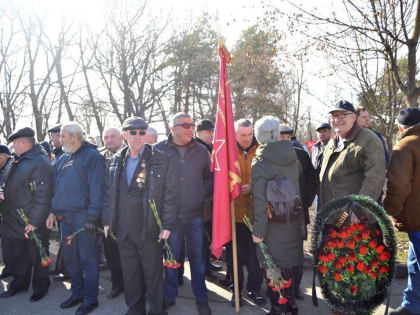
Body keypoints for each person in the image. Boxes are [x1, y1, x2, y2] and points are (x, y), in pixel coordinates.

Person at [103, 117, 177, 315]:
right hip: (123, 228)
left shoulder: (160, 158)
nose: (137, 136)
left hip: (149, 227)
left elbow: (171, 195)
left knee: (152, 274)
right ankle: (135, 308)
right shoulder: (116, 159)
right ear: (124, 135)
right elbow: (110, 193)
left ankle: (157, 310)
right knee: (130, 273)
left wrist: (167, 224)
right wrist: (107, 221)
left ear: (146, 134)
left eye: (142, 132)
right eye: (133, 132)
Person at [155, 112, 213, 315]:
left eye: (192, 124)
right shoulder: (158, 150)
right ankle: (169, 296)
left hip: (195, 215)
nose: (190, 128)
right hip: (170, 218)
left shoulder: (202, 150)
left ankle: (201, 297)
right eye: (185, 125)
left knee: (198, 259)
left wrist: (200, 192)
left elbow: (210, 177)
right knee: (171, 259)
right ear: (173, 129)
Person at [46, 122, 105, 315]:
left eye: (62, 135)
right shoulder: (63, 158)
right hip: (66, 217)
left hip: (84, 217)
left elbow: (98, 188)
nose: (59, 139)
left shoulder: (92, 156)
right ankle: (77, 293)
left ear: (74, 136)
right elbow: (56, 187)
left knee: (88, 259)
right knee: (71, 259)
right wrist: (52, 211)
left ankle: (90, 299)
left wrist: (93, 216)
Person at [251, 116, 303, 315]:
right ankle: (290, 304)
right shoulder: (292, 155)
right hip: (292, 219)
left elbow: (260, 202)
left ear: (259, 136)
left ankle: (277, 306)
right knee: (288, 262)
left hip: (273, 224)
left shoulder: (261, 163)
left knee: (272, 266)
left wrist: (259, 231)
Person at [0, 128, 53, 302]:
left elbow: (43, 195)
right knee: (20, 256)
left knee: (38, 256)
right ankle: (19, 285)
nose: (13, 147)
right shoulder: (20, 159)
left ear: (23, 143)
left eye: (14, 143)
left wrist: (35, 222)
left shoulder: (39, 162)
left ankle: (40, 287)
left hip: (30, 220)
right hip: (15, 219)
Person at [384, 108, 420, 315]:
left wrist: (392, 212)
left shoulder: (405, 145)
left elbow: (398, 185)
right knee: (414, 261)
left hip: (417, 218)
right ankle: (411, 305)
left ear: (400, 127)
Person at [278, 124, 319, 300]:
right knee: (278, 251)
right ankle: (279, 287)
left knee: (296, 252)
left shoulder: (301, 155)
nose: (285, 140)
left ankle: (295, 288)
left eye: (288, 137)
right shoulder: (271, 156)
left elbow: (312, 180)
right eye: (282, 137)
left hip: (298, 213)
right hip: (277, 214)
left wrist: (306, 200)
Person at [319, 100, 386, 208]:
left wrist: (358, 209)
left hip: (354, 219)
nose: (336, 120)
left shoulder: (369, 139)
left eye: (342, 115)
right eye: (333, 116)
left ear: (354, 117)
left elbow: (375, 178)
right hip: (330, 214)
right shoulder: (332, 142)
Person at [226, 118, 264, 306]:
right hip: (235, 215)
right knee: (235, 256)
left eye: (250, 135)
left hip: (257, 215)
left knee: (255, 257)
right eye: (243, 135)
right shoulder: (227, 153)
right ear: (234, 134)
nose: (248, 139)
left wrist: (255, 188)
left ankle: (254, 289)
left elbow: (269, 178)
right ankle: (236, 291)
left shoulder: (262, 150)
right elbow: (218, 181)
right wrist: (235, 189)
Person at [100, 128, 125, 300]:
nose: (109, 140)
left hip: (127, 216)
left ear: (122, 138)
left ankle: (135, 287)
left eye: (112, 137)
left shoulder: (131, 155)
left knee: (129, 255)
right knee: (111, 254)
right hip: (107, 216)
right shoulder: (99, 158)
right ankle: (117, 285)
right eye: (105, 138)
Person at [47, 124, 69, 282]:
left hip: (68, 208)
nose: (53, 139)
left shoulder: (66, 155)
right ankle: (62, 267)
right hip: (59, 206)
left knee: (68, 240)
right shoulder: (58, 154)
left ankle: (67, 269)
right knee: (64, 239)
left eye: (55, 136)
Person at [0, 144, 13, 280]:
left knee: (11, 243)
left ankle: (14, 269)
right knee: (7, 243)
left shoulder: (11, 166)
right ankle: (9, 268)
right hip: (6, 212)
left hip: (14, 212)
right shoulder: (3, 167)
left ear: (4, 155)